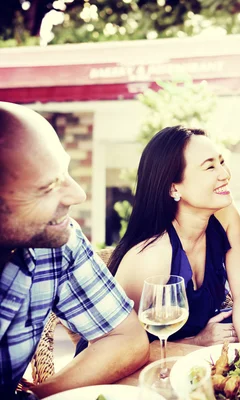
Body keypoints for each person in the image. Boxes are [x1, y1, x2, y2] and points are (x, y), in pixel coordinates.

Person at [0, 102, 149, 398]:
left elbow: (125, 338)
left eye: (65, 171)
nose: (77, 194)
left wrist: (39, 395)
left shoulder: (57, 240)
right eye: (47, 187)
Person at [106, 126, 240, 347]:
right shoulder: (152, 257)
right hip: (136, 369)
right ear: (173, 188)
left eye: (221, 162)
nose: (224, 174)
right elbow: (117, 348)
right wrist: (195, 342)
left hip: (190, 362)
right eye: (209, 167)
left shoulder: (224, 216)